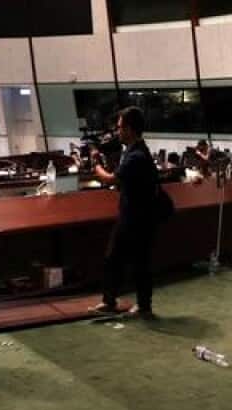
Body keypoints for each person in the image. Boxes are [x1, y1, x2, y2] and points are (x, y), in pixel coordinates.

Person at [91, 106, 159, 318]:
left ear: (130, 129)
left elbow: (111, 179)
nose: (117, 131)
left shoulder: (136, 155)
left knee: (135, 262)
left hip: (137, 218)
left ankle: (140, 306)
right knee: (118, 259)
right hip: (134, 215)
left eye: (120, 127)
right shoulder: (132, 150)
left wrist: (96, 165)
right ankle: (112, 301)